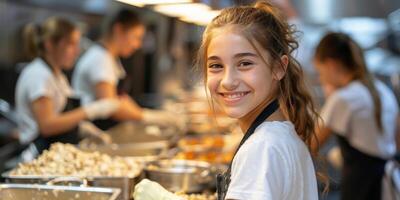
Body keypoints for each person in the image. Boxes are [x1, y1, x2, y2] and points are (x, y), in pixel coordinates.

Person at [133, 1, 321, 200]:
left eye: (245, 63)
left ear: (278, 67)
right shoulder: (276, 135)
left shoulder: (262, 148)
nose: (228, 81)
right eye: (216, 65)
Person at [16, 17, 119, 159]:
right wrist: (90, 111)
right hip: (38, 157)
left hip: (55, 154)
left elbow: (61, 116)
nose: (77, 51)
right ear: (49, 44)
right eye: (71, 44)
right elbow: (47, 126)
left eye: (77, 44)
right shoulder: (38, 75)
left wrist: (83, 128)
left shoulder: (58, 76)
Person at [312, 32, 399, 200]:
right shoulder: (383, 90)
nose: (320, 78)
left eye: (319, 71)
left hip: (362, 187)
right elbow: (397, 140)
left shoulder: (343, 97)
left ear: (330, 64)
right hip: (390, 182)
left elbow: (311, 144)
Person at [72, 9, 181, 130]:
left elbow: (121, 98)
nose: (138, 45)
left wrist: (145, 113)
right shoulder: (100, 59)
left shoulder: (111, 57)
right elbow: (111, 107)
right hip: (97, 132)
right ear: (118, 30)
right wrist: (150, 117)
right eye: (136, 37)